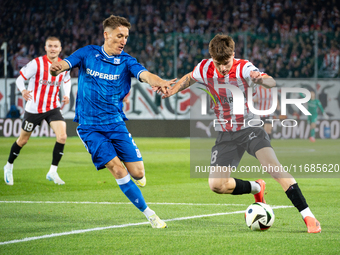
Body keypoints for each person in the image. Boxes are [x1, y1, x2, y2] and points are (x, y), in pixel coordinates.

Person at [162, 34, 321, 233]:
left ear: (233, 55)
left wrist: (261, 79)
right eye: (218, 63)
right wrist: (172, 90)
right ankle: (256, 187)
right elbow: (189, 78)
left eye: (226, 62)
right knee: (216, 185)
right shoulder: (205, 67)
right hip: (225, 133)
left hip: (250, 128)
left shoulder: (244, 67)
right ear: (212, 58)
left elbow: (270, 81)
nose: (222, 68)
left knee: (273, 167)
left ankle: (309, 217)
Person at [50, 15, 176, 228]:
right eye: (119, 36)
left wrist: (160, 81)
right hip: (90, 127)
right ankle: (150, 215)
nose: (123, 40)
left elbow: (144, 75)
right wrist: (58, 67)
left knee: (138, 172)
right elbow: (66, 63)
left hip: (116, 124)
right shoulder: (88, 53)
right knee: (117, 169)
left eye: (126, 36)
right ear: (106, 35)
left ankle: (137, 177)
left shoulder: (126, 61)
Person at [4, 36, 71, 186]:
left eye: (56, 46)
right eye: (50, 46)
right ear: (45, 48)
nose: (53, 48)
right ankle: (8, 165)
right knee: (23, 140)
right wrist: (23, 91)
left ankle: (52, 171)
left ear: (60, 49)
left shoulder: (63, 65)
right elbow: (20, 78)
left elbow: (66, 80)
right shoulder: (37, 63)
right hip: (34, 108)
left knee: (62, 136)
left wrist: (66, 94)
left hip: (53, 107)